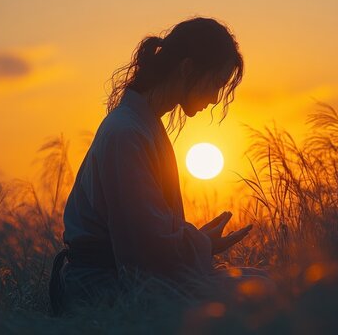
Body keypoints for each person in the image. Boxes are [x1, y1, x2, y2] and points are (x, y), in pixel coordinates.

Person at [49, 16, 262, 316]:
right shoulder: (126, 133)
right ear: (187, 69)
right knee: (262, 292)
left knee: (262, 281)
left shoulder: (140, 126)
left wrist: (201, 243)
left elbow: (146, 236)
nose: (215, 98)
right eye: (215, 83)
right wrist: (199, 244)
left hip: (117, 280)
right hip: (102, 289)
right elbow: (143, 252)